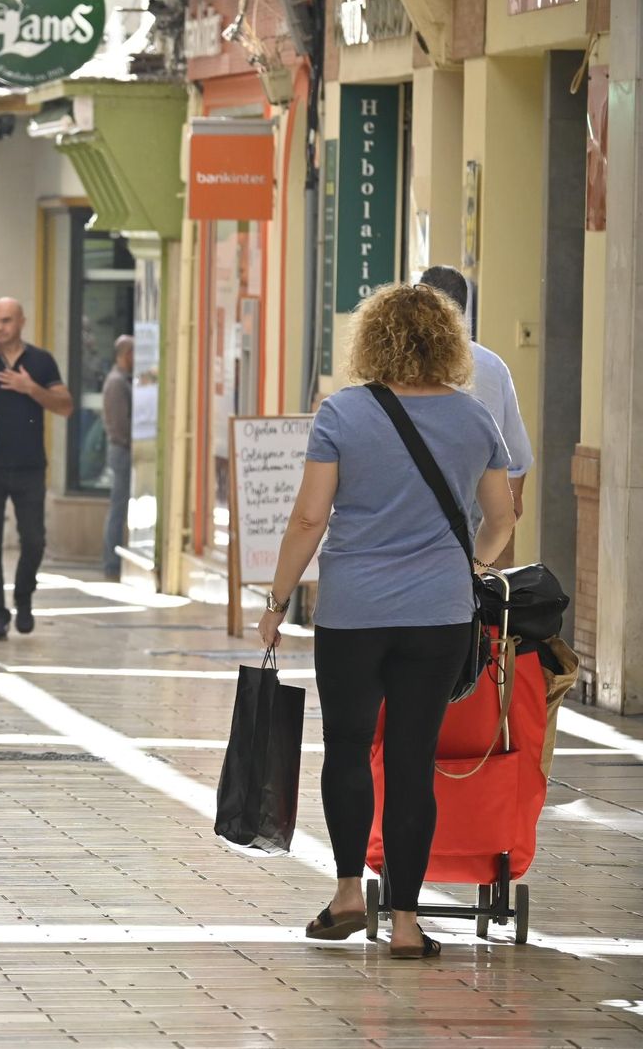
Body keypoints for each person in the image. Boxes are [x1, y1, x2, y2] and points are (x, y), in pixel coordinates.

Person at [256, 282, 515, 960]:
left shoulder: (342, 413)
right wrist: (467, 568)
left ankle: (347, 894)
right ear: (448, 342)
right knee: (410, 761)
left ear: (371, 341)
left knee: (345, 747)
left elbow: (310, 518)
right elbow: (502, 518)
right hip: (437, 615)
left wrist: (277, 599)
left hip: (353, 613)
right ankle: (404, 921)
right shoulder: (474, 419)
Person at [0, 298, 73, 640]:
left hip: (29, 467)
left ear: (22, 321)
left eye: (7, 320)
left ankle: (23, 597)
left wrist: (31, 389)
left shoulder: (40, 362)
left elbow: (66, 406)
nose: (0, 327)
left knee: (35, 540)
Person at [417, 265, 534, 568]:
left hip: (414, 503)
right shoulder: (492, 367)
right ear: (464, 309)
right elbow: (516, 455)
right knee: (476, 595)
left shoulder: (401, 365)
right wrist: (509, 507)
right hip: (479, 498)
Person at [100, 335, 136, 580]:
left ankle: (113, 560)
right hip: (121, 451)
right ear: (126, 355)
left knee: (120, 507)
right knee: (118, 508)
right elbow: (120, 424)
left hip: (122, 449)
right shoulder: (116, 382)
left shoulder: (122, 381)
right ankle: (111, 562)